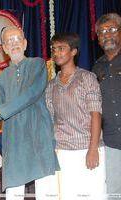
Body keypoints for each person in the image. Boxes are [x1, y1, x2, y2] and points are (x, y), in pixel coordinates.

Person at [0, 26, 60, 200]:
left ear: (25, 43)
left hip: (38, 135)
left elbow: (31, 93)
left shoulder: (37, 64)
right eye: (9, 41)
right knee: (14, 192)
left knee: (47, 191)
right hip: (15, 139)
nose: (14, 44)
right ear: (4, 48)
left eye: (18, 39)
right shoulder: (2, 78)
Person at [46, 33, 106, 200]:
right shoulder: (51, 85)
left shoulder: (87, 78)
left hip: (87, 148)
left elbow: (96, 114)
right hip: (62, 151)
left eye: (61, 48)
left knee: (93, 195)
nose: (56, 53)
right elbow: (51, 120)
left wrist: (92, 150)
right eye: (53, 49)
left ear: (73, 51)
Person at [93, 13, 121, 200]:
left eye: (112, 30)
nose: (107, 35)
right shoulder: (96, 68)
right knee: (114, 193)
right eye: (102, 32)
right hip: (111, 143)